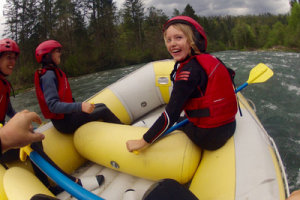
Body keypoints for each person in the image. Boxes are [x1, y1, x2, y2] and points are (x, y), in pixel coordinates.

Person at [126, 16, 237, 152]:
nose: (172, 44)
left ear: (192, 40)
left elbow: (170, 115)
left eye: (179, 37)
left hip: (209, 138)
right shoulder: (212, 60)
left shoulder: (187, 73)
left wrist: (143, 141)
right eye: (169, 40)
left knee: (179, 120)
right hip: (230, 126)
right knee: (184, 117)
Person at [34, 40, 121, 134]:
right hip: (65, 123)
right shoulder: (48, 76)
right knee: (103, 110)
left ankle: (115, 130)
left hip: (68, 117)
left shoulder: (51, 73)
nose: (60, 53)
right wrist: (80, 106)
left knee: (102, 106)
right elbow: (53, 106)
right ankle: (123, 131)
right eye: (57, 51)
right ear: (48, 56)